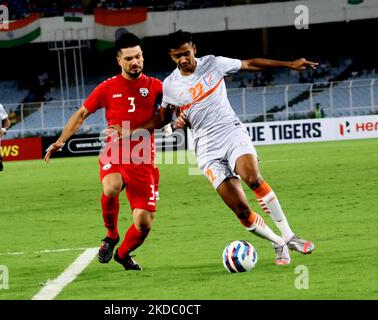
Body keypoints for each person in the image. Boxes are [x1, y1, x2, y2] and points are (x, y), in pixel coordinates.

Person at [116, 30, 317, 265]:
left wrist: (290, 65)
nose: (183, 59)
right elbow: (163, 118)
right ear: (172, 56)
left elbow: (250, 63)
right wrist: (135, 130)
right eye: (177, 56)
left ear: (194, 50)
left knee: (252, 177)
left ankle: (289, 235)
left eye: (186, 54)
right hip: (206, 148)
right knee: (241, 210)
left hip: (230, 132)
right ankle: (277, 242)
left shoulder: (214, 64)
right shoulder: (170, 85)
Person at [44, 33, 162, 271]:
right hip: (115, 152)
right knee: (111, 186)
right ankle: (111, 235)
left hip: (143, 158)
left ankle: (122, 254)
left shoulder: (156, 87)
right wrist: (60, 141)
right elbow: (81, 115)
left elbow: (170, 113)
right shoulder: (108, 87)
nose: (134, 62)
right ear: (119, 61)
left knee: (144, 223)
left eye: (138, 56)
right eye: (128, 58)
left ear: (143, 57)